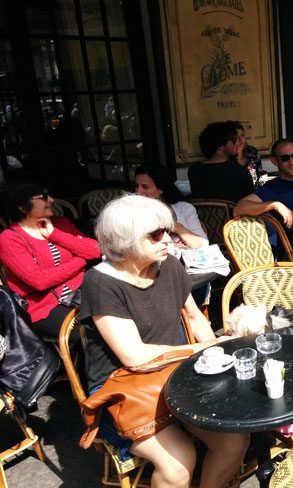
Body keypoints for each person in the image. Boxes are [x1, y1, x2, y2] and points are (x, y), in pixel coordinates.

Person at [79, 194, 248, 487]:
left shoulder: (168, 264)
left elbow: (194, 318)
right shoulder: (100, 282)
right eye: (156, 235)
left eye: (167, 231)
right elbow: (135, 358)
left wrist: (216, 359)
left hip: (175, 373)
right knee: (179, 464)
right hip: (124, 388)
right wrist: (198, 349)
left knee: (234, 441)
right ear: (124, 240)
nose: (167, 240)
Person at [0, 182, 100, 338]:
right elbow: (39, 281)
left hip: (83, 290)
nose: (52, 200)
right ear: (21, 206)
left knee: (117, 315)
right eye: (44, 197)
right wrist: (81, 261)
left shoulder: (60, 224)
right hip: (45, 306)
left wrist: (56, 235)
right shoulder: (10, 239)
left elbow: (95, 250)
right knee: (91, 332)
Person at [135, 164, 208, 250]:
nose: (138, 191)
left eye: (145, 187)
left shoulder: (184, 209)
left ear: (161, 189)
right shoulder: (133, 212)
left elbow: (203, 245)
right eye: (136, 186)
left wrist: (176, 227)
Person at [188, 121, 254, 202]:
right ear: (220, 145)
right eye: (234, 140)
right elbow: (251, 200)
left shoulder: (194, 170)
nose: (237, 143)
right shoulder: (239, 172)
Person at [231, 121, 265, 187]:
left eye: (242, 135)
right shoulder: (225, 157)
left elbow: (260, 173)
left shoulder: (252, 152)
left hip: (254, 193)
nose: (240, 139)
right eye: (235, 137)